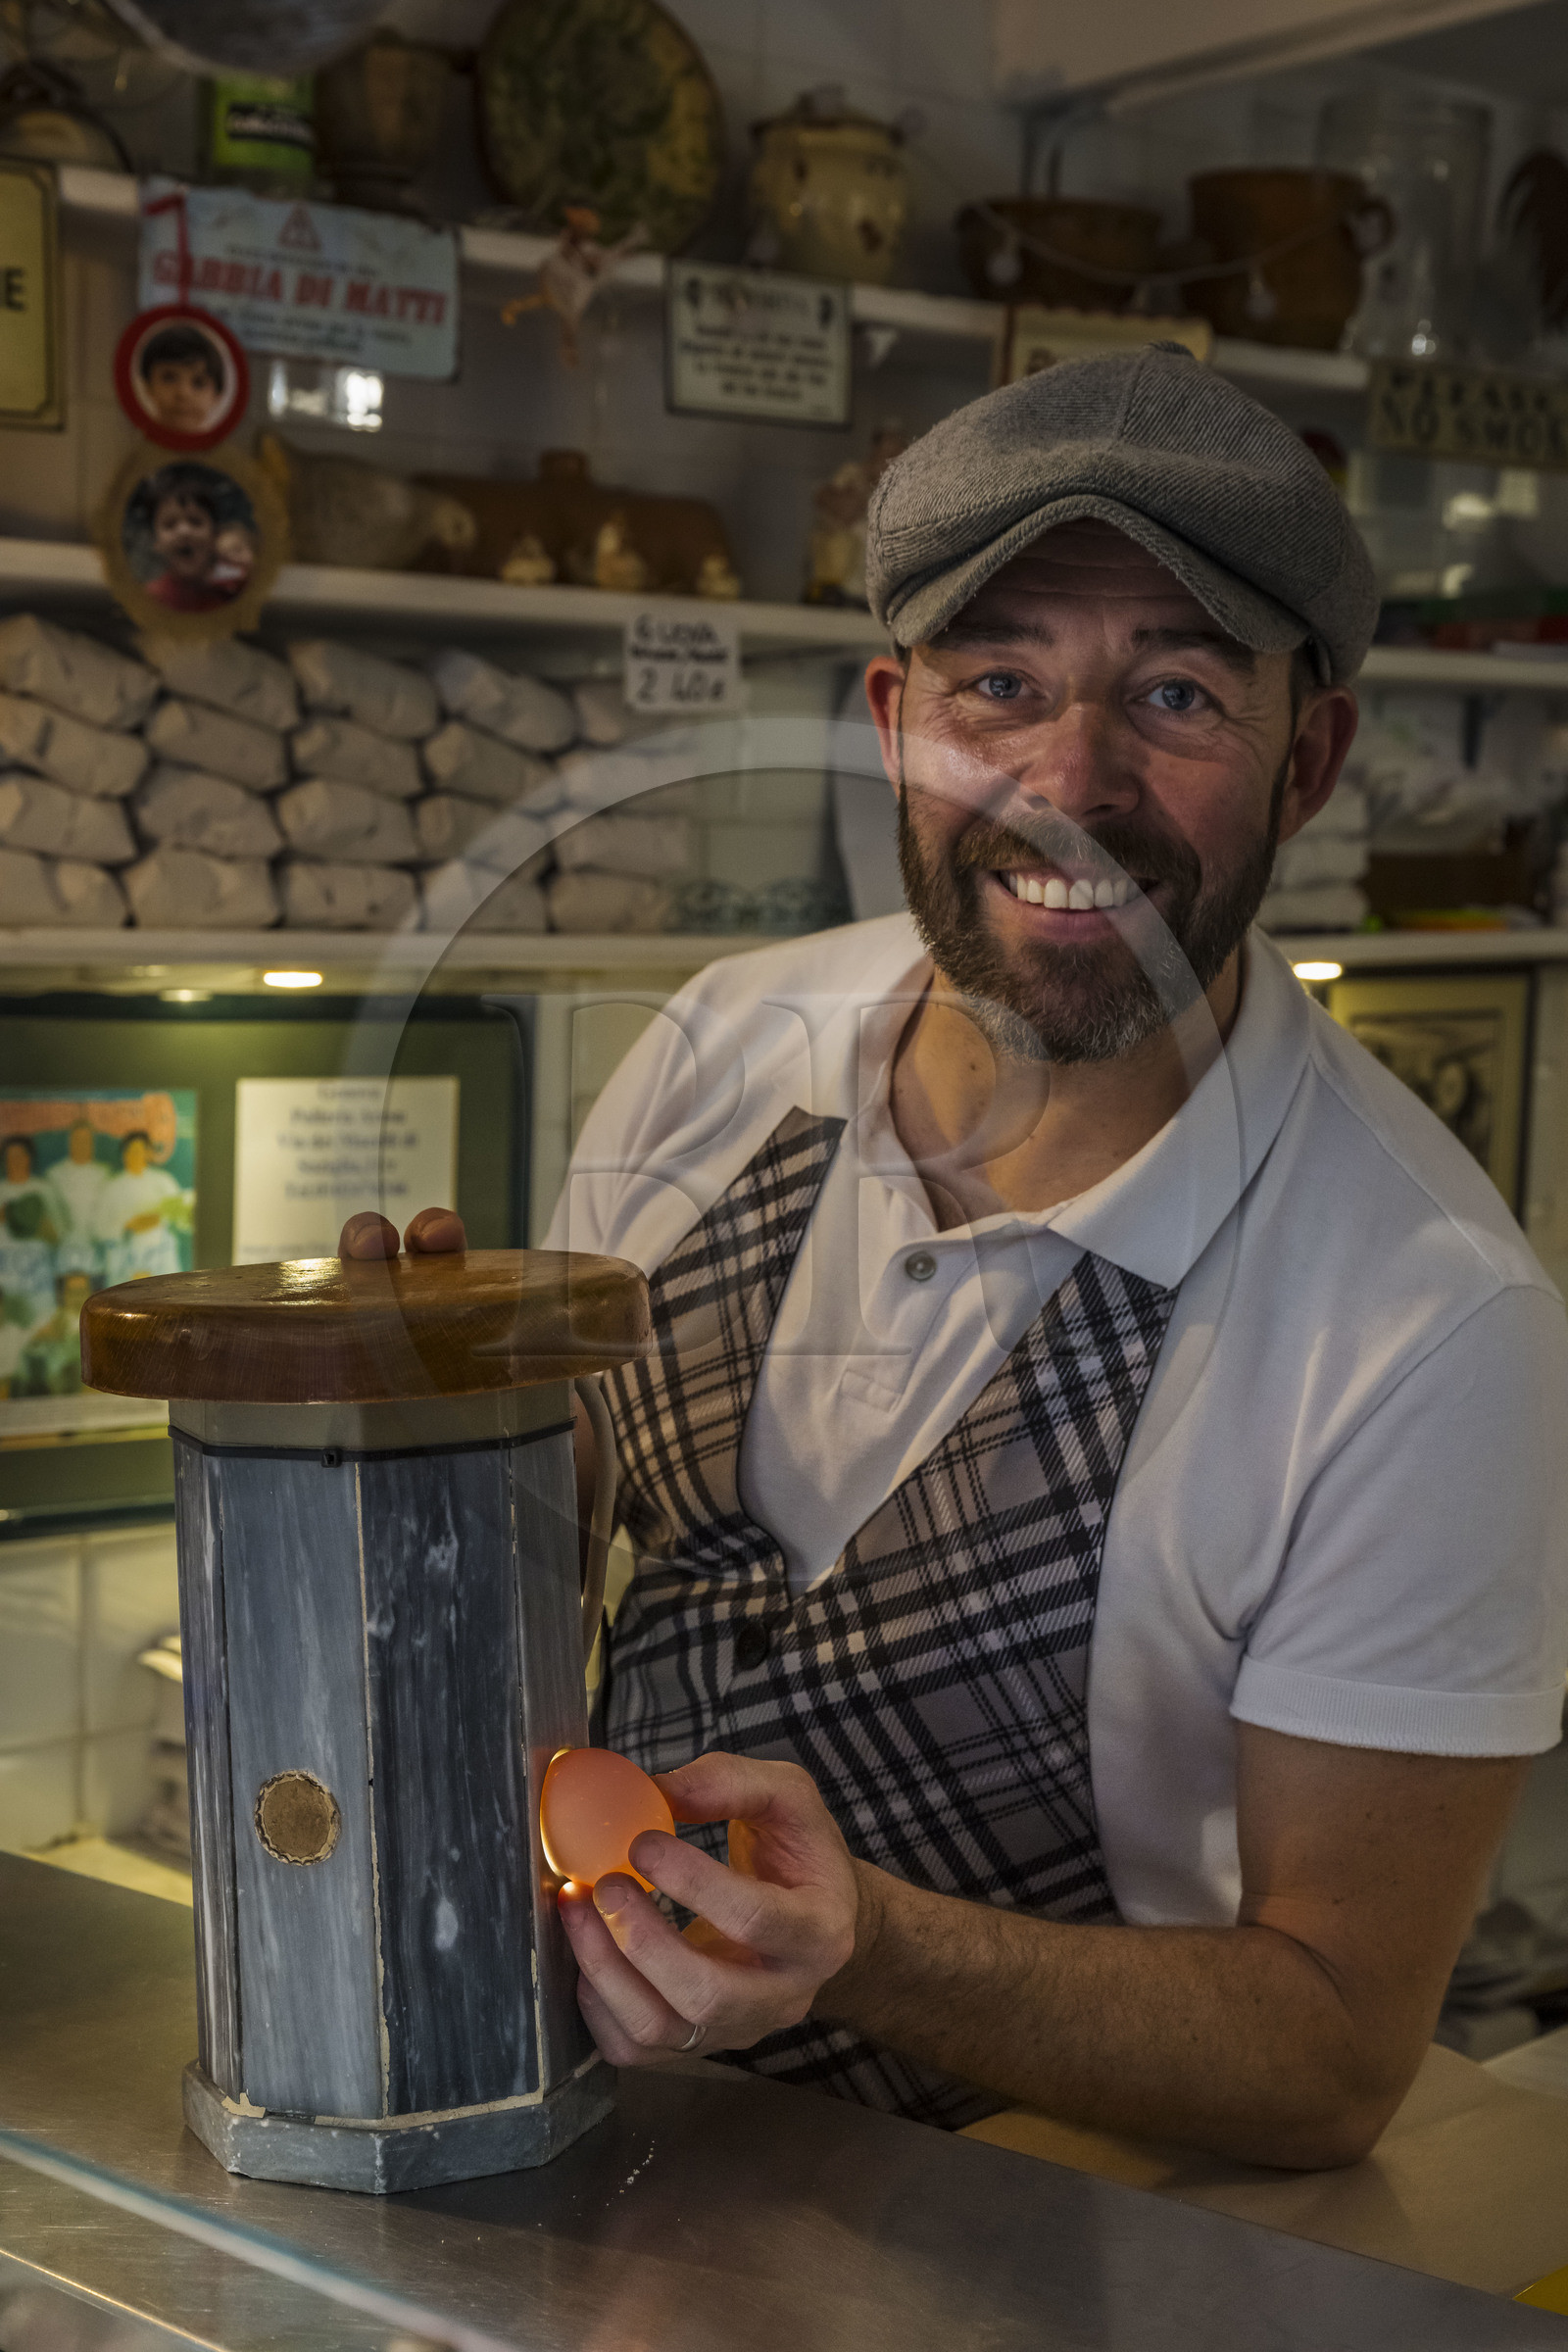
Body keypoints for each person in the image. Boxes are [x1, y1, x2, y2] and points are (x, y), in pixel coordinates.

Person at [347, 345, 1568, 2171]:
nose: (1070, 781)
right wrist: (426, 1433)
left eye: (1173, 694)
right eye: (1000, 684)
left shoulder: (1430, 1329)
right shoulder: (719, 1045)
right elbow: (569, 1519)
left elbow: (1329, 2056)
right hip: (589, 2163)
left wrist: (870, 1947)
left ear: (1308, 757)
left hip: (1060, 2242)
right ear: (892, 717)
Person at [128, 466, 231, 613]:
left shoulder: (230, 589)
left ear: (216, 535)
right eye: (170, 525)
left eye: (195, 522)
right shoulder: (152, 598)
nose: (184, 532)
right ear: (155, 542)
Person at [93, 1130, 188, 1285]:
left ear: (148, 1153)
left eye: (139, 1151)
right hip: (124, 1253)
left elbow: (179, 1215)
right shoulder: (112, 1187)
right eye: (129, 1151)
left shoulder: (164, 1181)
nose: (133, 1156)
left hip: (159, 1253)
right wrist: (126, 1226)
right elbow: (99, 1227)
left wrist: (156, 1220)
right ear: (123, 1154)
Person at [135, 322, 224, 437]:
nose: (183, 393)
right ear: (147, 386)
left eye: (199, 383)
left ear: (217, 396)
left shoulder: (229, 455)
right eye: (169, 378)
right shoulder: (135, 453)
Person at [48, 1118, 108, 1283]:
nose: (81, 1144)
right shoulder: (54, 1175)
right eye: (77, 1140)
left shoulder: (104, 1174)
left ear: (92, 1143)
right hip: (62, 1256)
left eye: (86, 1140)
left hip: (96, 1256)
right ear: (70, 1142)